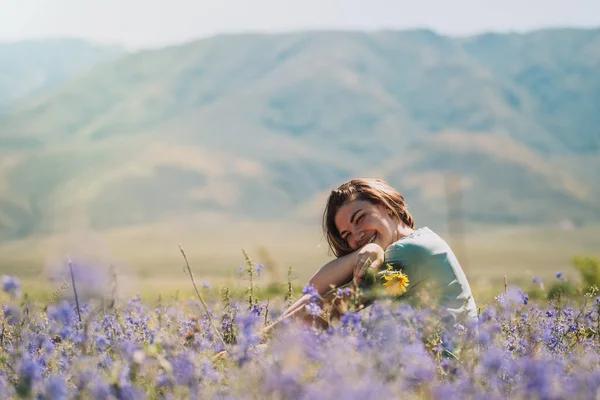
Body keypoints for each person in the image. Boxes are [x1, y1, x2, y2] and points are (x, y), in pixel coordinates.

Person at [265, 178, 477, 333]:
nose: (357, 236)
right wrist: (368, 249)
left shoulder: (411, 252)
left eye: (360, 219)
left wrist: (263, 340)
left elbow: (334, 305)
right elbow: (314, 289)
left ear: (388, 207)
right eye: (346, 234)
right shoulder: (417, 241)